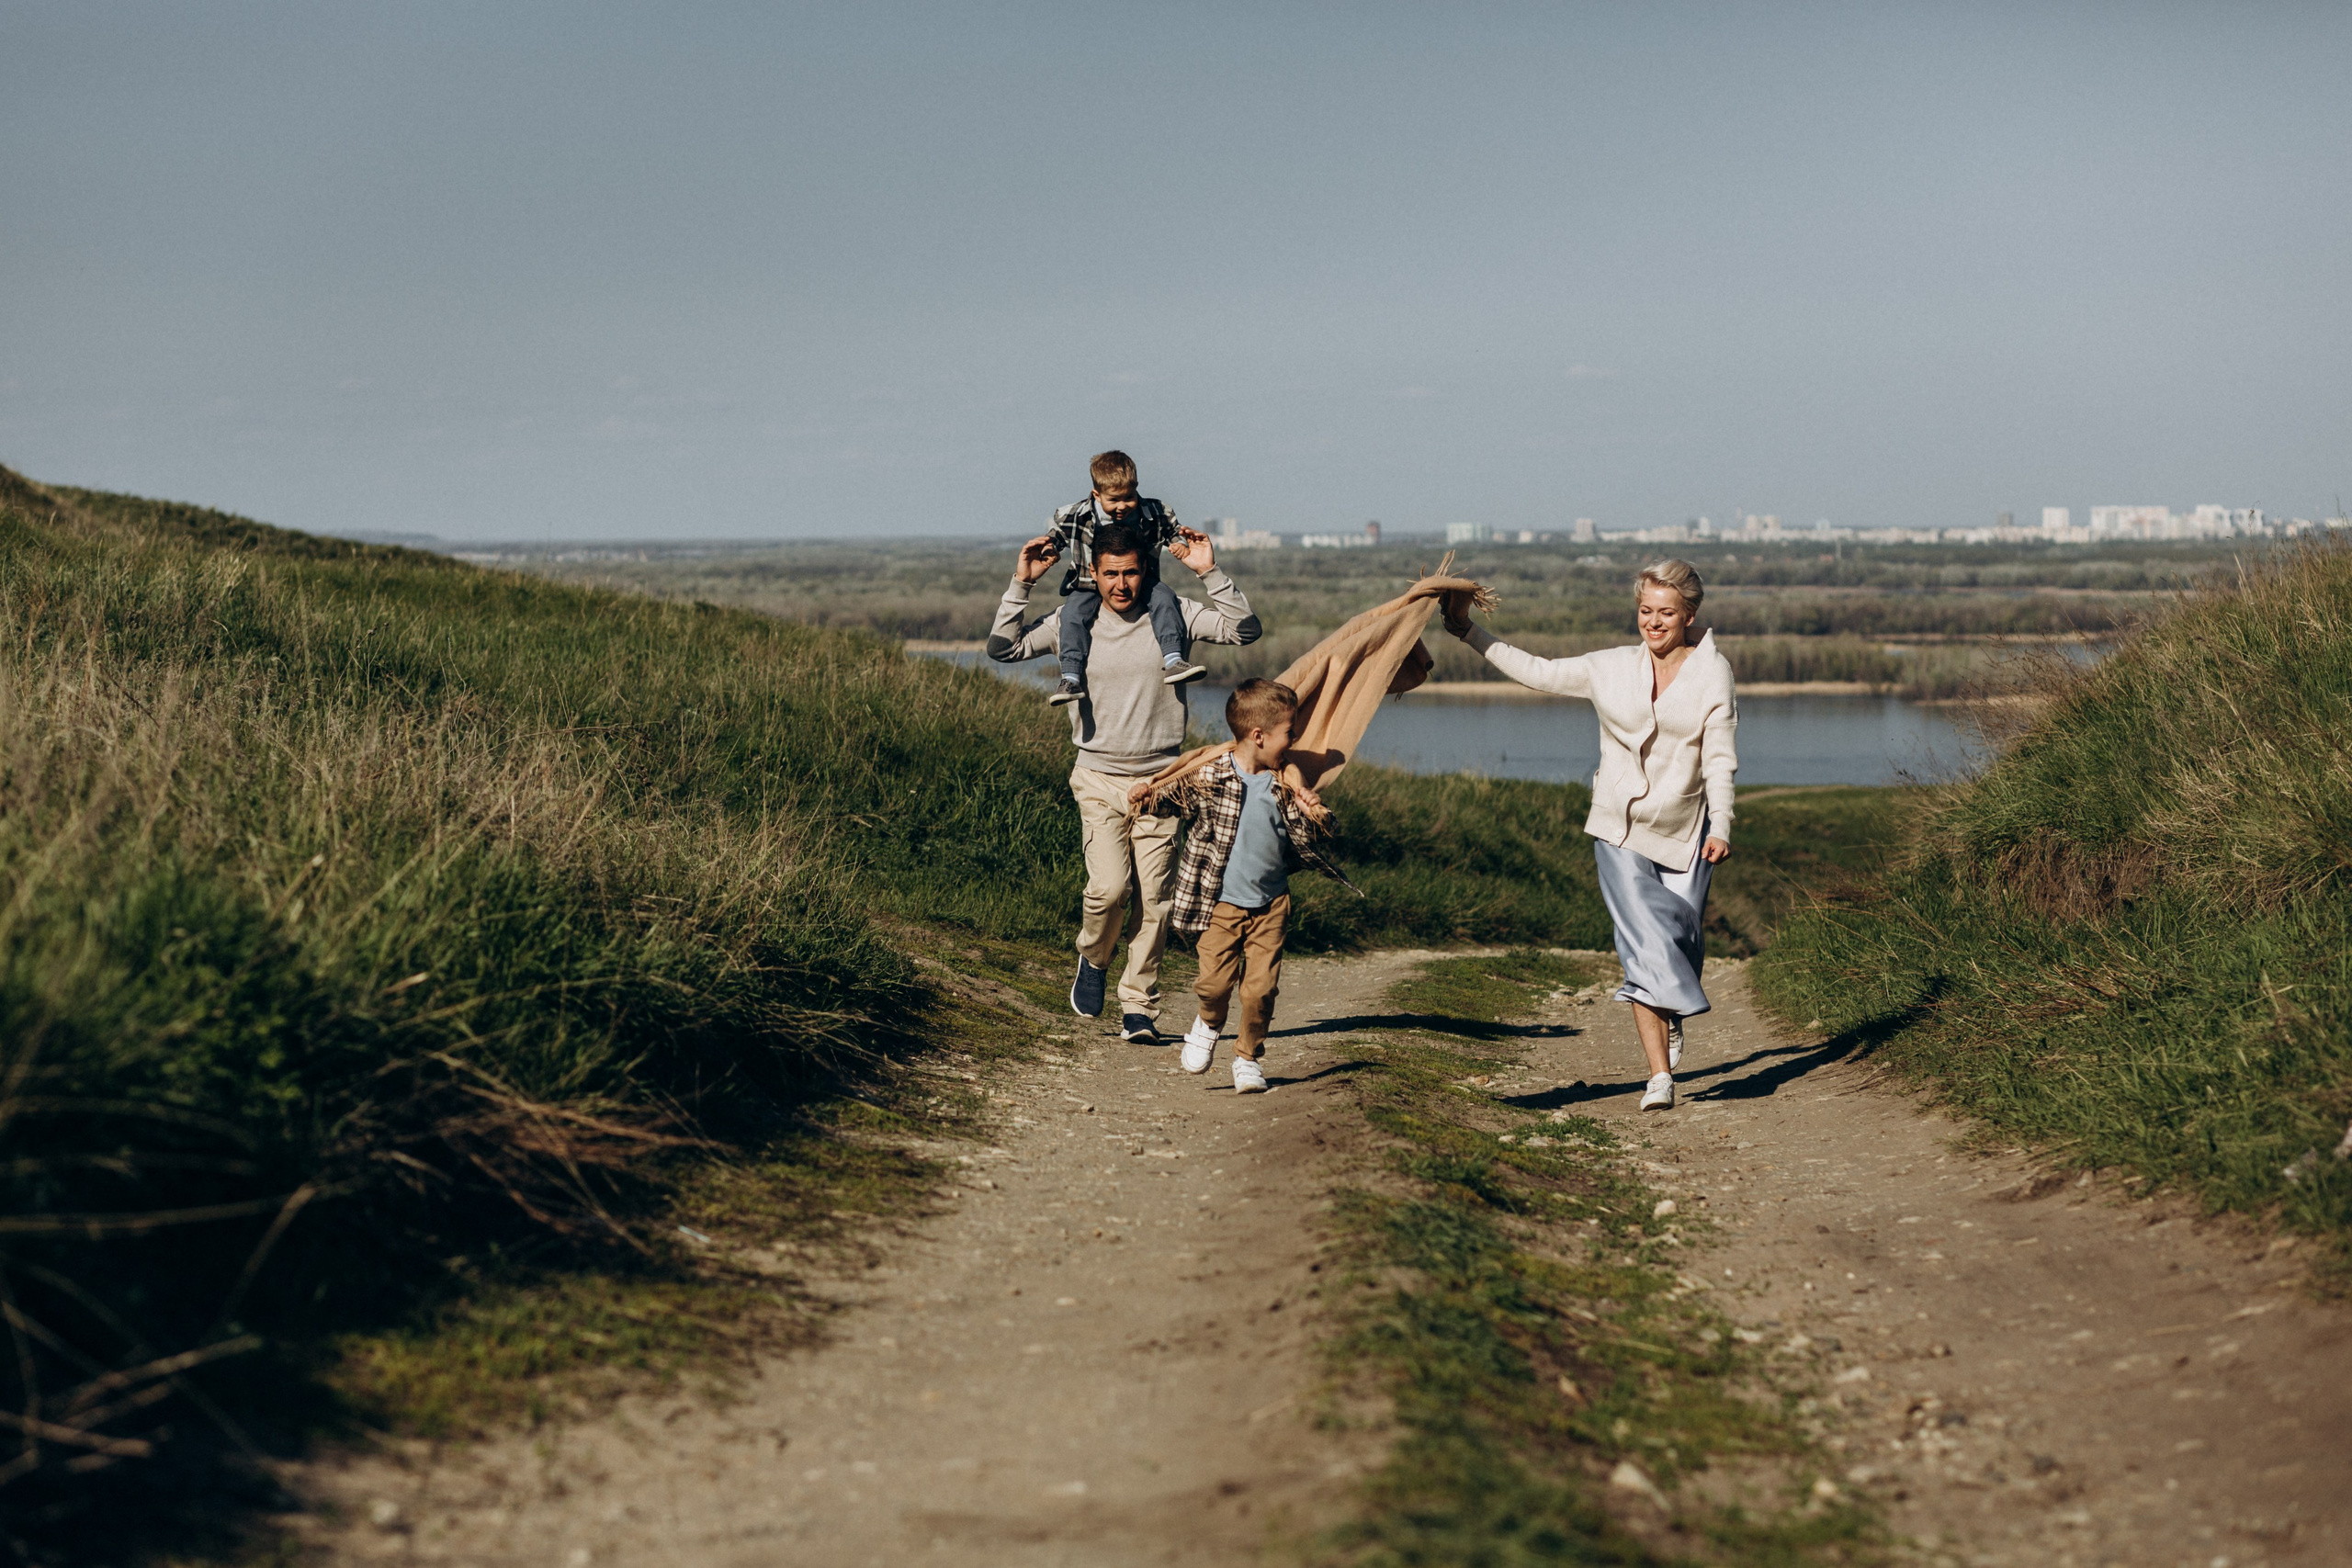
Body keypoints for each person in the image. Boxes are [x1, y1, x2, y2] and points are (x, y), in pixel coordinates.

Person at [1443, 558, 1736, 1111]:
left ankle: (1669, 1007)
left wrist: (1720, 824)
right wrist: (1465, 630)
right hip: (1618, 826)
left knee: (1679, 942)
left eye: (1665, 613)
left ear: (1689, 614)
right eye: (1645, 611)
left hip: (1685, 828)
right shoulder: (1610, 667)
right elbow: (1539, 670)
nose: (1652, 623)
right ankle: (1658, 1077)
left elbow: (1720, 758)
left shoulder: (1712, 673)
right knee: (1643, 946)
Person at [987, 520, 1261, 1042]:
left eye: (1131, 573)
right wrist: (1021, 584)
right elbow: (1004, 650)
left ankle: (1139, 1006)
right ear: (1094, 571)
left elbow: (1245, 631)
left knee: (1155, 899)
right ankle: (1094, 958)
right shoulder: (1074, 620)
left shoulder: (1174, 615)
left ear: (1145, 572)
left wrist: (1210, 571)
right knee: (1109, 890)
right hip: (1097, 776)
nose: (1120, 585)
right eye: (1110, 574)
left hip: (1163, 780)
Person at [1127, 680, 1339, 1094]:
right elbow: (1175, 798)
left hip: (1271, 904)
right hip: (1219, 905)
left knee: (1260, 989)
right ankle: (1207, 1023)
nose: (1294, 740)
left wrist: (1314, 812)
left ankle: (1247, 1058)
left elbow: (1319, 832)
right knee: (1214, 986)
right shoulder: (1210, 774)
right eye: (1289, 733)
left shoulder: (1286, 784)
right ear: (1259, 736)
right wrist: (1145, 796)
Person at [1035, 450, 1209, 706]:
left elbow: (1172, 529)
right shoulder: (1075, 515)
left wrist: (1178, 543)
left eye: (1129, 497)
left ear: (1136, 488)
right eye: (1113, 500)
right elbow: (1057, 536)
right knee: (1072, 615)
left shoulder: (1153, 511)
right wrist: (1050, 549)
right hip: (1087, 581)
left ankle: (1173, 660)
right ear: (1097, 494)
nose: (1122, 506)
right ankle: (1070, 676)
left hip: (1140, 579)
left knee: (1165, 599)